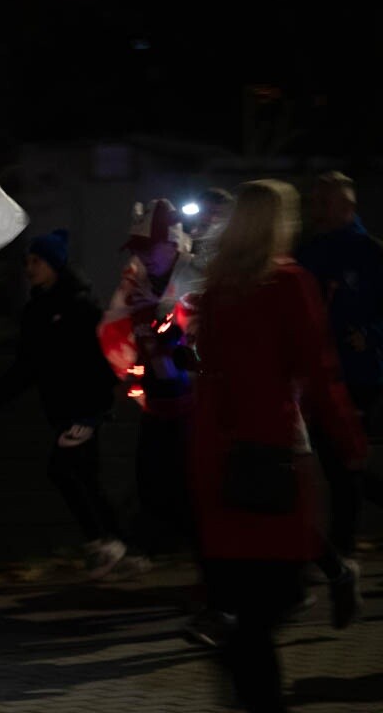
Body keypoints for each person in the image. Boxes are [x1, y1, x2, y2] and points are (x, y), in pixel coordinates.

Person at [191, 179, 367, 712]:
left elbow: (208, 371)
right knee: (272, 601)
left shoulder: (217, 288)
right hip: (274, 452)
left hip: (220, 456)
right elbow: (319, 370)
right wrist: (350, 440)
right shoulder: (289, 283)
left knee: (245, 609)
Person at [0, 229, 125, 578]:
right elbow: (29, 363)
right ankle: (122, 547)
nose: (29, 267)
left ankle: (105, 543)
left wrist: (99, 406)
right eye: (27, 261)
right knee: (85, 477)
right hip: (62, 408)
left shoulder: (79, 305)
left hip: (84, 408)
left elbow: (100, 358)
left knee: (63, 470)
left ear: (54, 264)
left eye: (36, 261)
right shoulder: (37, 309)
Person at [296, 171, 383, 605]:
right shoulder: (308, 251)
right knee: (332, 461)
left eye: (324, 202)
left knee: (342, 461)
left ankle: (342, 552)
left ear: (347, 207)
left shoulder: (369, 254)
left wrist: (370, 334)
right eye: (315, 201)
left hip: (355, 374)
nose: (317, 210)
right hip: (311, 376)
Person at [99, 199, 201, 562]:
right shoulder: (137, 287)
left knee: (191, 486)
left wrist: (179, 340)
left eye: (148, 247)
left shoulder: (197, 283)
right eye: (138, 249)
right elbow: (127, 338)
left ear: (172, 243)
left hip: (197, 409)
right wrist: (138, 376)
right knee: (150, 479)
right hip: (159, 405)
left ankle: (208, 564)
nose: (142, 256)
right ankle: (150, 549)